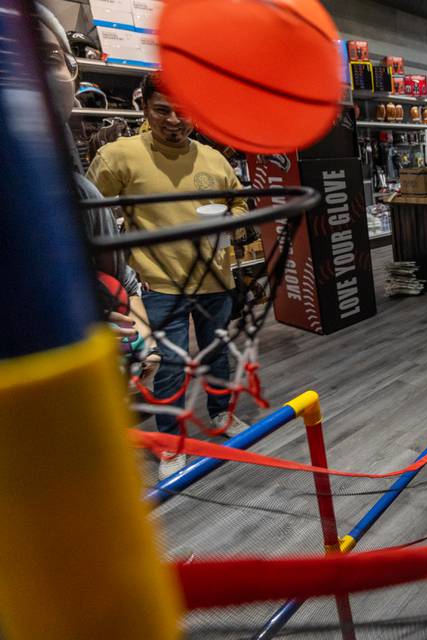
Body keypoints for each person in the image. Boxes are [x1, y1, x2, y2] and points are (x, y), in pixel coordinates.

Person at [87, 72, 250, 478]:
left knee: (217, 355)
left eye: (184, 112)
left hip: (215, 279)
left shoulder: (214, 158)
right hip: (160, 284)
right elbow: (87, 215)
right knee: (170, 369)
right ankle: (170, 444)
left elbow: (240, 207)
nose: (175, 120)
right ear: (144, 108)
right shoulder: (119, 156)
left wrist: (230, 225)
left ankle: (219, 415)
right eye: (163, 110)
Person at [34, 3, 160, 383]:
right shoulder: (113, 158)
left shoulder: (79, 191)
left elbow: (122, 281)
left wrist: (145, 340)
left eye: (47, 56)